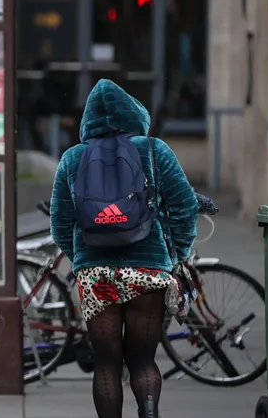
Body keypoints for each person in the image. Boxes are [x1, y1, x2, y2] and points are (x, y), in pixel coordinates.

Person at [49, 79, 198, 418]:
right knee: (143, 361)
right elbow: (185, 207)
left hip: (97, 275)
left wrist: (83, 263)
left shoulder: (73, 158)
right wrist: (176, 256)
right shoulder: (154, 150)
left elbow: (60, 223)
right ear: (133, 113)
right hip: (148, 270)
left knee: (106, 365)